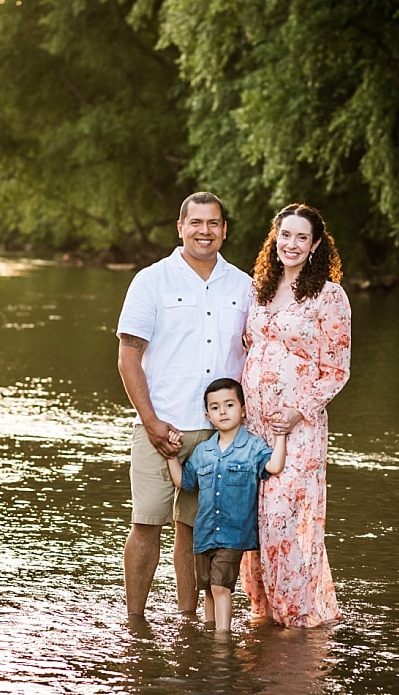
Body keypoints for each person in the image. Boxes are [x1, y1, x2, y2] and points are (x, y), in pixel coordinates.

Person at [116, 192, 252, 618]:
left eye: (213, 223)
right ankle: (134, 621)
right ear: (181, 227)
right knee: (146, 523)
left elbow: (257, 357)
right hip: (162, 425)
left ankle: (188, 621)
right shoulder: (151, 280)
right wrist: (151, 421)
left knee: (196, 532)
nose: (204, 231)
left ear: (225, 230)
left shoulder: (245, 287)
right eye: (196, 223)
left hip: (219, 433)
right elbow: (128, 358)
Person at [238, 203, 352, 628]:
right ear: (275, 237)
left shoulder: (328, 295)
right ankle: (263, 612)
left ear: (316, 244)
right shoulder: (260, 290)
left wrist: (298, 409)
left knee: (283, 519)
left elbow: (337, 370)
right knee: (255, 521)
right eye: (285, 235)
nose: (291, 244)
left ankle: (297, 617)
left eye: (302, 237)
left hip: (298, 428)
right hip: (253, 427)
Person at [165, 378, 287, 633]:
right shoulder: (203, 451)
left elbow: (274, 467)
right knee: (209, 588)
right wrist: (172, 456)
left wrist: (281, 437)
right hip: (205, 534)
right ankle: (208, 635)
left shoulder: (252, 446)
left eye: (229, 405)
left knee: (221, 586)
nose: (223, 411)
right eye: (216, 407)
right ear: (208, 415)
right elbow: (183, 483)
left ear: (243, 409)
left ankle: (222, 641)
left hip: (234, 534)